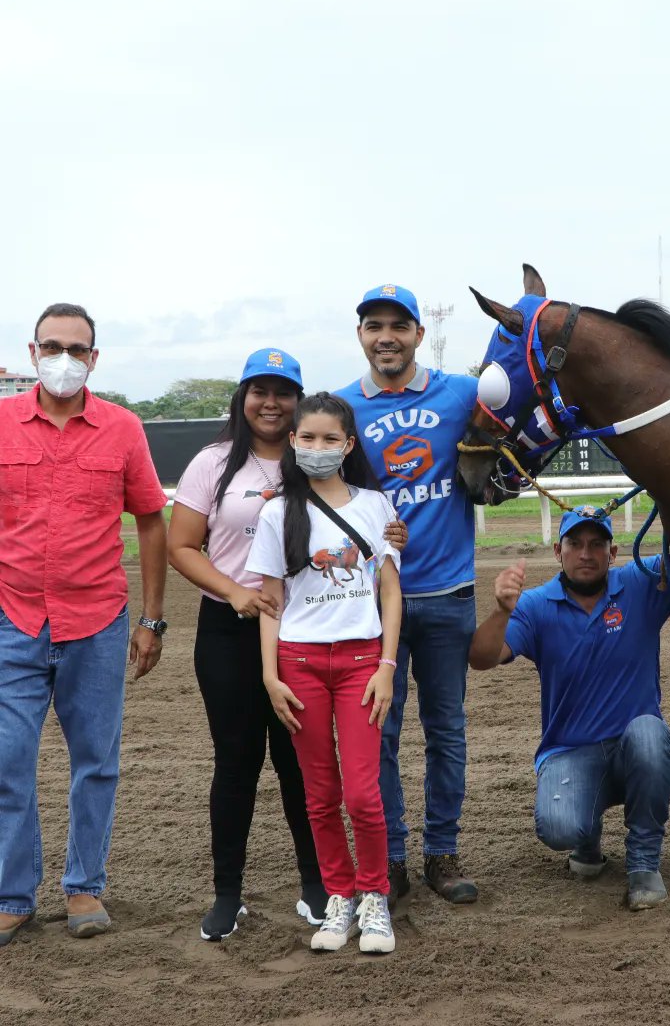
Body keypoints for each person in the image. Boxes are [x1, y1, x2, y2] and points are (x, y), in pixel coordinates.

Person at [168, 348, 406, 941]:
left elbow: (373, 540)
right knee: (237, 761)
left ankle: (320, 888)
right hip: (234, 628)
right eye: (259, 391)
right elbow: (181, 546)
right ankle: (228, 892)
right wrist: (237, 595)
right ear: (243, 397)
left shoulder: (318, 476)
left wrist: (392, 535)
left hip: (313, 634)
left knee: (307, 772)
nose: (270, 403)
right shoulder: (214, 463)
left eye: (283, 392)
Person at [0, 303, 167, 947]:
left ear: (94, 359)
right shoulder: (4, 422)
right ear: (32, 351)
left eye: (76, 348)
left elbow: (151, 518)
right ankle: (13, 894)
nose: (63, 358)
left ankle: (83, 888)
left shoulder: (123, 429)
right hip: (13, 616)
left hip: (96, 619)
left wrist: (152, 617)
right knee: (9, 759)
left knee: (94, 761)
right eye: (51, 345)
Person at [336, 283, 481, 908]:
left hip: (450, 595)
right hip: (373, 604)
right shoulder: (340, 409)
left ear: (419, 333)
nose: (386, 336)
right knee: (382, 734)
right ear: (361, 335)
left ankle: (441, 854)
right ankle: (389, 858)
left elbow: (513, 430)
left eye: (399, 325)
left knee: (446, 731)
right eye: (374, 326)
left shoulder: (462, 393)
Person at [247, 392, 402, 954]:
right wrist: (270, 675)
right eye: (307, 438)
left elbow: (390, 591)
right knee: (319, 794)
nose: (317, 448)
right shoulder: (274, 512)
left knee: (363, 793)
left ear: (348, 445)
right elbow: (271, 601)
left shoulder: (376, 507)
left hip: (362, 661)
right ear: (292, 441)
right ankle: (338, 898)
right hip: (299, 665)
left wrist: (387, 665)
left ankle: (375, 898)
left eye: (329, 439)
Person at [469, 506, 670, 910]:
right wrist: (501, 610)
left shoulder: (640, 582)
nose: (586, 553)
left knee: (651, 735)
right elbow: (481, 658)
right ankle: (587, 838)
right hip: (570, 751)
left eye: (596, 544)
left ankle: (644, 864)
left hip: (634, 745)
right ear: (557, 550)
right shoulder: (534, 605)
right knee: (558, 828)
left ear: (613, 552)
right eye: (576, 544)